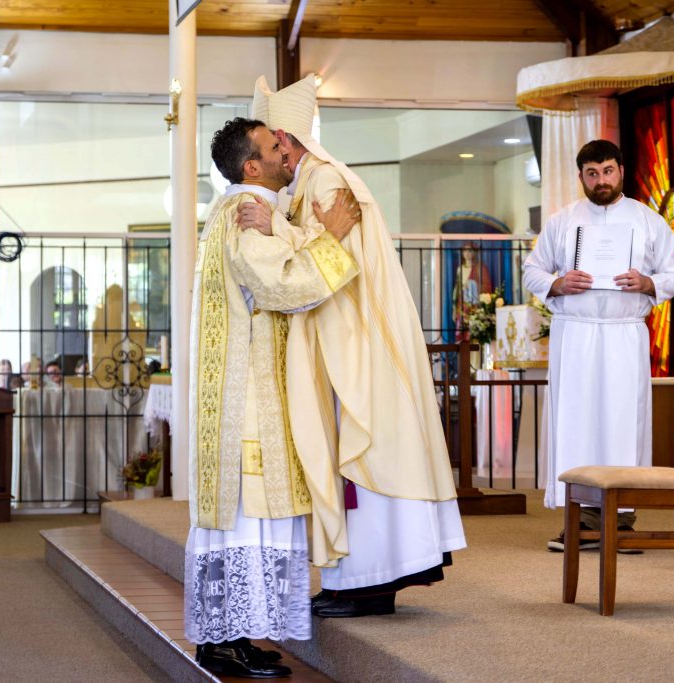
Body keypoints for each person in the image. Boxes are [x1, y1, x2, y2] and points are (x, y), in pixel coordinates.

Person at [239, 75, 466, 619]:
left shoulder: (327, 182)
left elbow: (338, 266)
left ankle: (369, 581)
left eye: (275, 145)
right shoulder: (308, 184)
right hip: (336, 341)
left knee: (358, 462)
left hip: (355, 347)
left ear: (288, 142)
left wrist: (276, 228)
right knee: (344, 468)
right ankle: (351, 580)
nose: (274, 156)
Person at [186, 117, 360, 678]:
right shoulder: (244, 215)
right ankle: (223, 643)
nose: (287, 151)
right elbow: (284, 286)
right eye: (273, 146)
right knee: (246, 521)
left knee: (254, 522)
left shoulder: (256, 212)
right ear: (251, 167)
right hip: (248, 407)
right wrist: (330, 237)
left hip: (252, 394)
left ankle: (237, 635)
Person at [522, 139, 674, 551]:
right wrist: (557, 283)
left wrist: (649, 282)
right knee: (575, 422)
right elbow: (532, 271)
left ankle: (622, 520)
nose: (601, 180)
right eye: (592, 173)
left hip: (623, 334)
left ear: (621, 171)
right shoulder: (561, 221)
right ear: (580, 176)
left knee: (622, 420)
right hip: (575, 334)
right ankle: (578, 521)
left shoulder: (648, 221)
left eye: (608, 171)